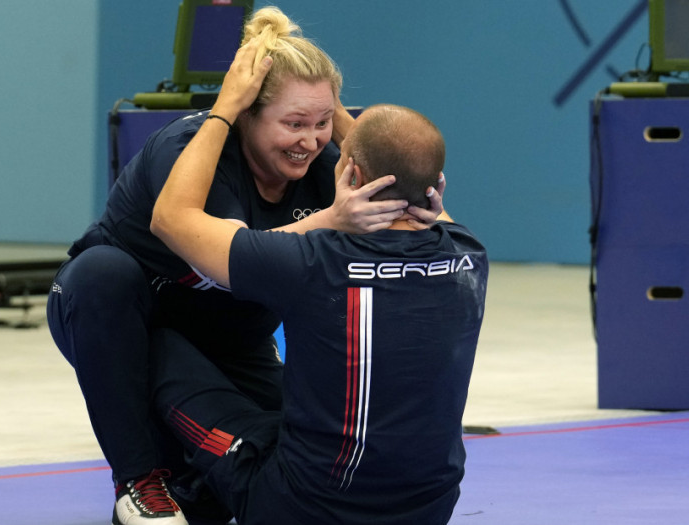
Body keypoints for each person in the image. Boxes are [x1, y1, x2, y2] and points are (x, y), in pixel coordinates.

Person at [46, 7, 442, 525]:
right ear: (248, 115)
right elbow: (235, 255)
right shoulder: (188, 150)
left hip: (231, 337)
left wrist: (343, 126)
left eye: (322, 124)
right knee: (102, 273)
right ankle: (139, 484)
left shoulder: (327, 165)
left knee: (278, 461)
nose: (310, 140)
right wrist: (328, 218)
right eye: (294, 123)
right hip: (126, 322)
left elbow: (427, 219)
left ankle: (186, 485)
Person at [149, 32, 488, 525]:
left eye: (325, 126)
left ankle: (165, 487)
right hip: (428, 509)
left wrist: (226, 109)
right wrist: (334, 116)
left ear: (349, 170)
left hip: (301, 510)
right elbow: (416, 180)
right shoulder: (469, 255)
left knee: (153, 340)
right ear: (437, 189)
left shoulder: (311, 260)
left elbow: (170, 218)